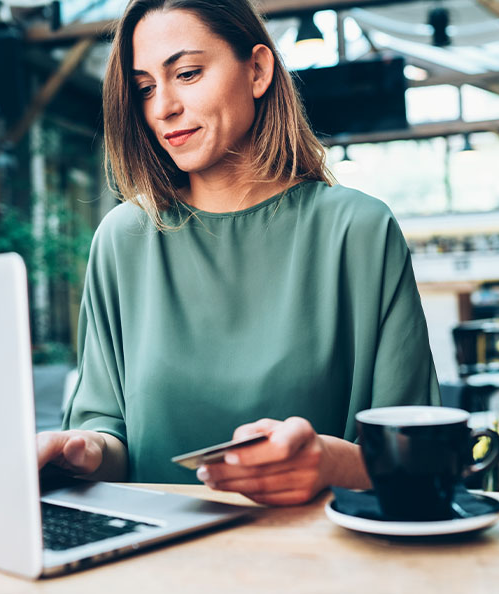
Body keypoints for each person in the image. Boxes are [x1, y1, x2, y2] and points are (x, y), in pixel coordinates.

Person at [37, 0, 440, 505]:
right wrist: (84, 450)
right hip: (157, 568)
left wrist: (332, 463)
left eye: (186, 73)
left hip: (325, 566)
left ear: (257, 70)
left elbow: (421, 456)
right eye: (144, 88)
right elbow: (108, 433)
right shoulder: (123, 238)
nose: (162, 107)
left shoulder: (359, 230)